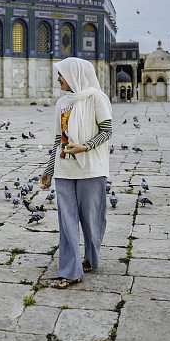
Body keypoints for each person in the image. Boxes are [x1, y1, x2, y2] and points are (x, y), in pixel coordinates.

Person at [40, 57, 112, 289]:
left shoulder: (96, 98)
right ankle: (71, 270)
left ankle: (91, 258)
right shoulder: (62, 103)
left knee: (91, 219)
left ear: (74, 76)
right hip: (65, 168)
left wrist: (85, 147)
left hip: (91, 168)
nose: (58, 78)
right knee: (66, 221)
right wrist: (49, 170)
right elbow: (57, 139)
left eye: (61, 74)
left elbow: (107, 131)